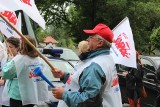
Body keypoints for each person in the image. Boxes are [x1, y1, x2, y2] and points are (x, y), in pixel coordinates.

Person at [51, 23, 122, 107]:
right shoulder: (107, 58)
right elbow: (83, 83)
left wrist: (64, 95)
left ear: (100, 43)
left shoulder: (94, 66)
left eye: (91, 37)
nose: (87, 39)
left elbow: (88, 102)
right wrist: (64, 76)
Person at [2, 36, 49, 107]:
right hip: (32, 95)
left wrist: (11, 60)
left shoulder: (20, 59)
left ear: (23, 45)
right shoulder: (39, 59)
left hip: (19, 95)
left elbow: (6, 73)